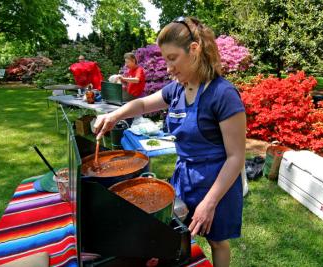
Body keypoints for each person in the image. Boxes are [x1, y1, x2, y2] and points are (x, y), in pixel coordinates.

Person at [94, 17, 246, 267]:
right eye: (165, 59)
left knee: (217, 241)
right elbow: (143, 103)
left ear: (194, 50)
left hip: (218, 182)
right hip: (185, 176)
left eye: (172, 58)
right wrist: (115, 115)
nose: (167, 68)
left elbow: (236, 157)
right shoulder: (177, 89)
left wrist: (209, 203)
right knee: (175, 230)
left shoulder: (223, 95)